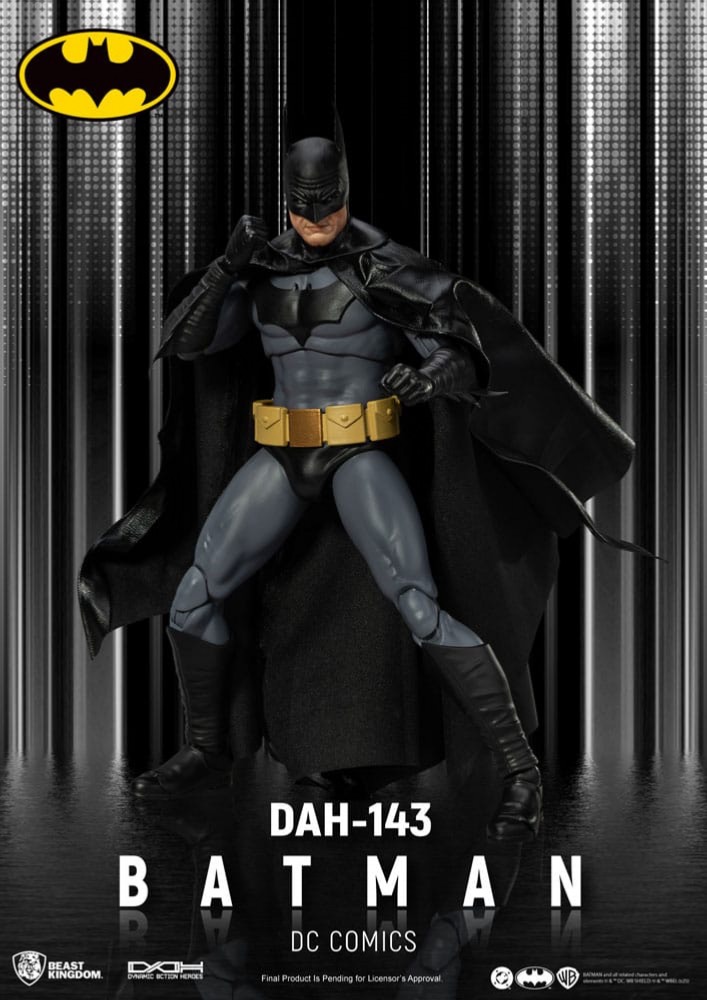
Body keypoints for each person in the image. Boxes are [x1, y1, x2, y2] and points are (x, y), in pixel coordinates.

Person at [79, 119, 634, 840]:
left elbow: (462, 353)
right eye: (302, 206)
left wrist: (428, 379)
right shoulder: (259, 273)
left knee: (418, 604)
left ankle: (520, 771)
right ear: (285, 200)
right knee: (193, 599)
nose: (316, 219)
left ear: (345, 194)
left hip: (359, 451)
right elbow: (188, 346)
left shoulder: (386, 268)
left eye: (328, 204)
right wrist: (225, 267)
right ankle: (210, 753)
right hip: (281, 454)